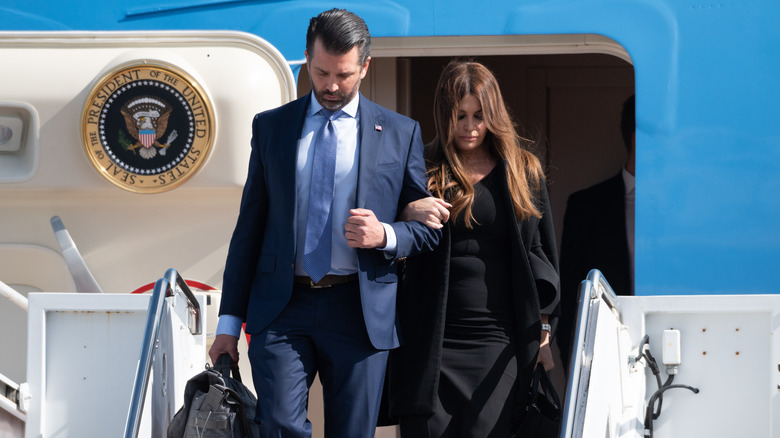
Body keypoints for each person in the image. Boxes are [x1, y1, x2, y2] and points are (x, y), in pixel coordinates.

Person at [208, 9, 440, 437]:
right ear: (307, 59)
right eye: (321, 73)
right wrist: (228, 324)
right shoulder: (272, 127)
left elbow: (426, 229)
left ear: (365, 67)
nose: (331, 86)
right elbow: (249, 228)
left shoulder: (400, 132)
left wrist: (385, 234)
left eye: (344, 75)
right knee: (279, 425)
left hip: (359, 309)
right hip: (282, 308)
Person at [386, 60, 560, 437]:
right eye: (460, 116)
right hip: (430, 340)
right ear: (444, 115)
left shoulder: (523, 171)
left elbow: (541, 254)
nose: (469, 127)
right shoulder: (421, 166)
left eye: (479, 116)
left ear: (493, 115)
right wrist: (406, 211)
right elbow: (389, 234)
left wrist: (544, 329)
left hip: (498, 341)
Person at [556, 94, 635, 371]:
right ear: (637, 138)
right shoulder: (586, 206)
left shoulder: (687, 205)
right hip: (604, 356)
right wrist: (576, 366)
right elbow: (571, 294)